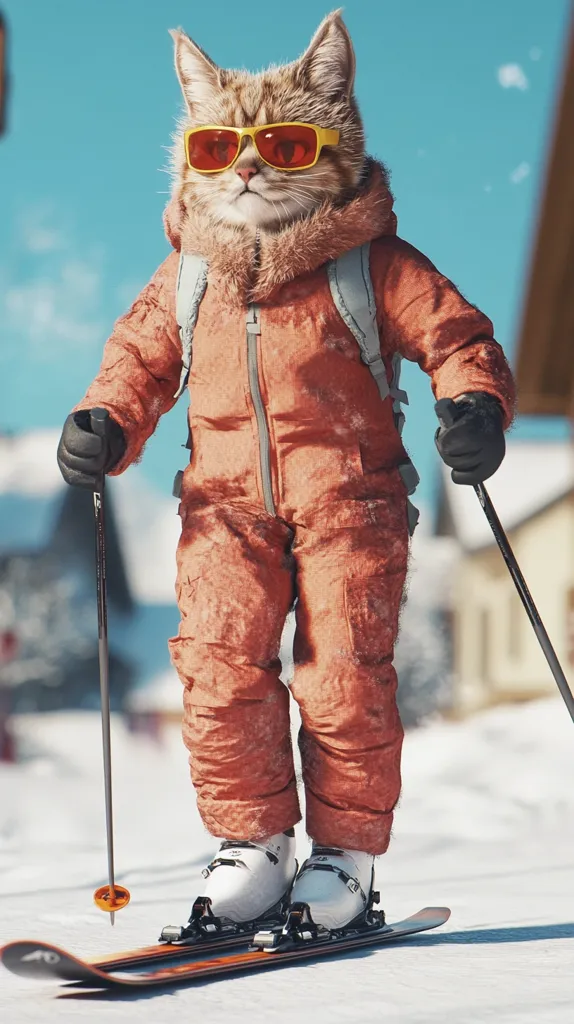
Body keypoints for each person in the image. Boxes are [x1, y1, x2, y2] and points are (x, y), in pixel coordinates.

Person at [57, 12, 515, 932]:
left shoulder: (369, 263)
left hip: (353, 499)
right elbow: (139, 360)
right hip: (222, 504)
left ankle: (344, 859)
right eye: (221, 144)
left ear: (336, 132)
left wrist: (473, 407)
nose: (250, 167)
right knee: (220, 668)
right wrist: (106, 420)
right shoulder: (186, 274)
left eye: (287, 142)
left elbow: (455, 336)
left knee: (343, 671)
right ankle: (253, 844)